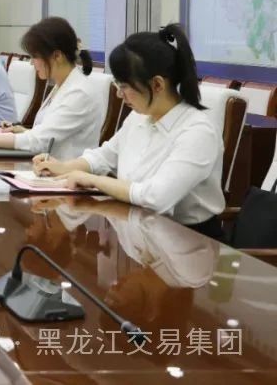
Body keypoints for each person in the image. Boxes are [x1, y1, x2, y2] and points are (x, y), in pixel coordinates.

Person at [34, 24, 226, 237]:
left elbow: (156, 197)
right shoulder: (139, 117)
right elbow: (104, 156)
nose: (119, 94)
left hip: (187, 240)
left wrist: (94, 180)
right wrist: (63, 167)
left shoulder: (198, 132)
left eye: (124, 86)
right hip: (136, 226)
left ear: (157, 85)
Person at [0, 17, 102, 159]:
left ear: (57, 56)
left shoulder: (79, 93)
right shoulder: (61, 85)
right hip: (46, 165)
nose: (31, 63)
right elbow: (48, 134)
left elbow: (41, 141)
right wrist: (23, 131)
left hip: (63, 170)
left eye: (35, 57)